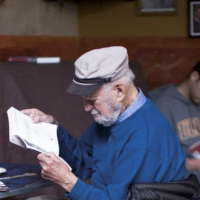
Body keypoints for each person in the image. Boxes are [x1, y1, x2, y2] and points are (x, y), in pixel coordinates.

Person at [24, 46, 186, 200]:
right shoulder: (113, 115)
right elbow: (85, 162)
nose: (87, 108)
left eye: (92, 101)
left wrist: (67, 180)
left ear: (119, 91)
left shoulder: (143, 138)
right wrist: (52, 126)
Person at [148, 61, 200, 182]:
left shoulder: (196, 96)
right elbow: (155, 161)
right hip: (185, 180)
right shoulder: (161, 105)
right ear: (194, 77)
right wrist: (195, 164)